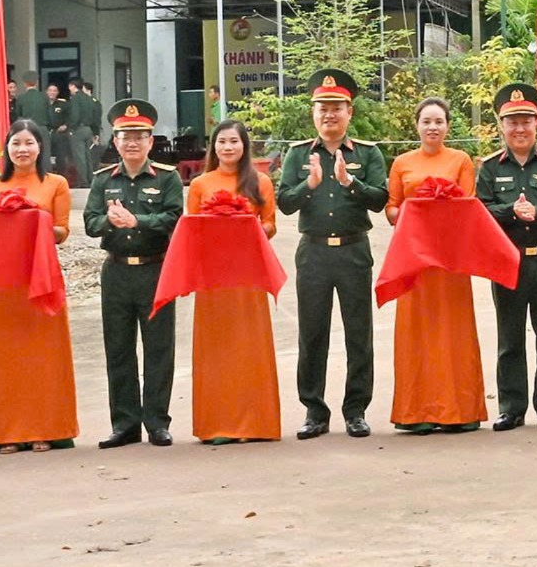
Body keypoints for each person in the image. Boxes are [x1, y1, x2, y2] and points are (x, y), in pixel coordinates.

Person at [276, 68, 388, 439]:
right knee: (312, 334)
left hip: (354, 251)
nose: (329, 115)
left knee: (359, 334)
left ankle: (356, 410)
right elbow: (284, 205)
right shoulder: (297, 156)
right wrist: (309, 185)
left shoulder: (368, 155)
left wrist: (349, 182)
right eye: (322, 108)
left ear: (349, 112)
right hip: (314, 254)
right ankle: (314, 411)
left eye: (336, 108)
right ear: (313, 114)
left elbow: (380, 200)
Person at [84, 98, 184, 448]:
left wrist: (137, 220)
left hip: (156, 270)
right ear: (115, 141)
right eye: (125, 135)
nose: (132, 142)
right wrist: (108, 221)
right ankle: (124, 423)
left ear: (150, 141)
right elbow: (90, 222)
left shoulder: (168, 178)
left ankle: (157, 421)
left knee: (159, 348)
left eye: (139, 136)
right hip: (116, 272)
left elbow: (174, 219)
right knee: (119, 348)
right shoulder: (102, 180)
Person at [478, 82, 537, 430]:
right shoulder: (490, 167)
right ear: (502, 126)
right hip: (508, 259)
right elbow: (482, 209)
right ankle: (512, 407)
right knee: (510, 337)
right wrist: (511, 211)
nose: (519, 129)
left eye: (526, 121)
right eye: (512, 122)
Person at [0, 120, 78, 453]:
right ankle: (8, 433)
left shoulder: (56, 184)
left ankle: (45, 429)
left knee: (44, 357)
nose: (22, 149)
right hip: (7, 282)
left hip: (43, 276)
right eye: (16, 143)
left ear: (40, 147)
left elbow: (63, 231)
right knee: (9, 358)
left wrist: (36, 222)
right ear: (6, 149)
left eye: (29, 143)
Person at [385, 98, 484, 433]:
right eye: (426, 121)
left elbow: (468, 206)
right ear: (417, 126)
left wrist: (441, 210)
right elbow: (392, 210)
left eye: (439, 121)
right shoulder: (401, 162)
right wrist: (419, 210)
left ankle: (460, 410)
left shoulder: (460, 160)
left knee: (453, 331)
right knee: (417, 331)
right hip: (414, 257)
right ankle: (416, 412)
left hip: (450, 259)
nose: (432, 127)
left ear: (447, 126)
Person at [185, 118, 282, 443]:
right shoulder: (200, 184)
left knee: (248, 346)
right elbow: (193, 230)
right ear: (214, 147)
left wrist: (245, 225)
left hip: (248, 274)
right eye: (222, 142)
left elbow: (270, 226)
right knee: (216, 347)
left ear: (244, 146)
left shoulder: (261, 182)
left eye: (234, 142)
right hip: (214, 276)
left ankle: (254, 423)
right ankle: (217, 424)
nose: (228, 147)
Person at [67, 77, 101, 182]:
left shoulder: (75, 98)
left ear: (72, 86)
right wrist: (96, 132)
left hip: (79, 129)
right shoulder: (89, 99)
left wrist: (71, 127)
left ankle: (82, 180)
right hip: (88, 129)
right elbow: (96, 117)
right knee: (87, 156)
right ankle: (90, 178)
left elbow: (75, 115)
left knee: (79, 157)